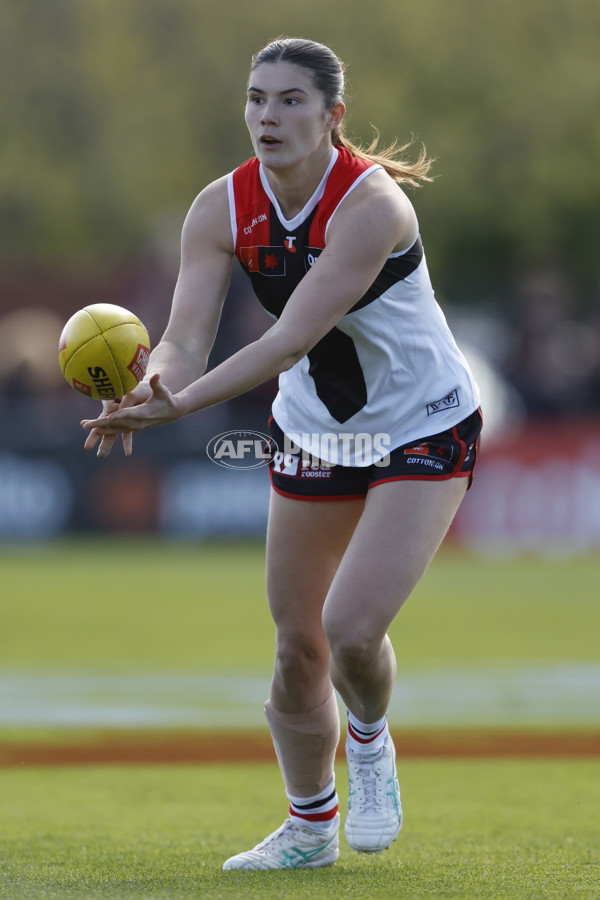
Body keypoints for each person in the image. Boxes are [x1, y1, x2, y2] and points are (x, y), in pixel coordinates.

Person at [82, 37, 482, 870]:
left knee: (351, 629)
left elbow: (292, 334)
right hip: (313, 429)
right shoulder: (218, 207)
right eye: (258, 98)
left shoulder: (373, 207)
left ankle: (369, 742)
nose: (269, 115)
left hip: (421, 423)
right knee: (298, 646)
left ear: (333, 116)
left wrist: (183, 406)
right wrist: (155, 385)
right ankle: (308, 829)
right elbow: (184, 341)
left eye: (291, 100)